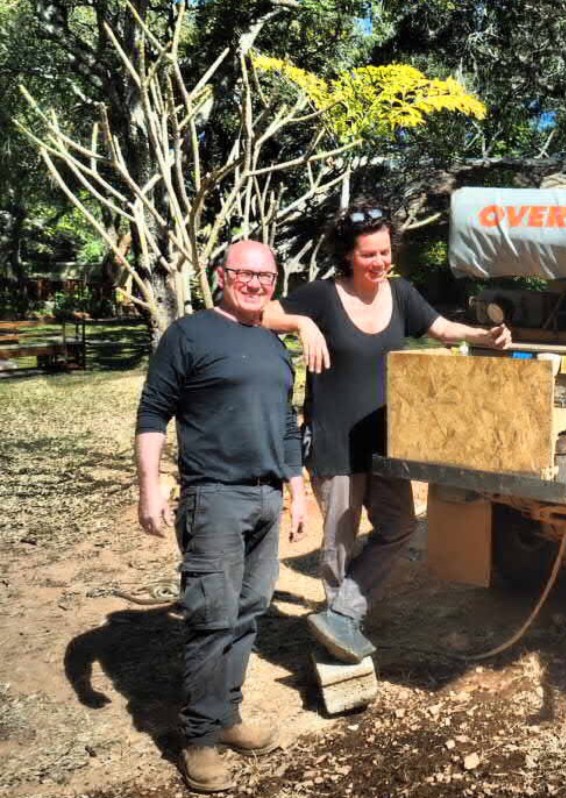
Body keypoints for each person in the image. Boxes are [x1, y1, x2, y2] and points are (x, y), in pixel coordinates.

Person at [262, 203, 510, 664]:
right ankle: (340, 635)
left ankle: (342, 614)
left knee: (399, 526)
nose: (380, 262)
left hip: (387, 440)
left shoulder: (400, 292)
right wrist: (301, 322)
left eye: (384, 252)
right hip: (335, 440)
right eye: (369, 254)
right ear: (349, 256)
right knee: (337, 542)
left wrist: (483, 336)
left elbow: (438, 328)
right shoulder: (321, 296)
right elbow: (263, 313)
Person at [136, 241, 307, 793]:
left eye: (267, 275)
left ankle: (228, 718)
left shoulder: (271, 342)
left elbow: (285, 424)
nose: (256, 283)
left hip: (265, 498)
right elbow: (153, 411)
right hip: (214, 497)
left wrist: (297, 492)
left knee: (248, 611)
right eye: (245, 273)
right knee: (212, 617)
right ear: (221, 275)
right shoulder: (189, 334)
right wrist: (149, 487)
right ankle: (201, 740)